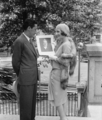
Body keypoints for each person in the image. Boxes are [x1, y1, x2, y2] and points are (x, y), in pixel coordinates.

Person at [48, 23, 76, 120]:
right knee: (60, 98)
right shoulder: (64, 44)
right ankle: (63, 118)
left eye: (58, 31)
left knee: (58, 99)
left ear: (64, 32)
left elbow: (65, 62)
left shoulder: (66, 44)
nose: (55, 33)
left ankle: (63, 118)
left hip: (59, 75)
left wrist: (54, 58)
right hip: (59, 74)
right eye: (55, 31)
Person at [12, 18, 38, 120]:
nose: (36, 32)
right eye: (35, 29)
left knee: (31, 106)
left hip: (32, 78)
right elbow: (15, 62)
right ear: (29, 28)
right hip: (25, 79)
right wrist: (22, 73)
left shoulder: (29, 41)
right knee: (26, 107)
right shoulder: (20, 41)